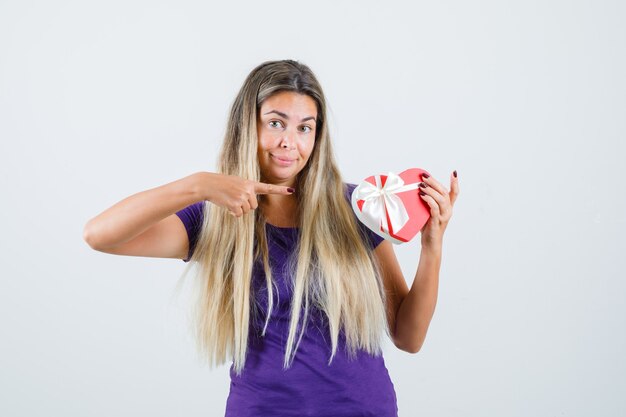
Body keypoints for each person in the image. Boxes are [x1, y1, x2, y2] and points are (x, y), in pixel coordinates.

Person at [83, 59, 460, 417]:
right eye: (276, 123)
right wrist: (197, 185)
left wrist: (433, 245)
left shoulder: (357, 207)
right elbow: (100, 235)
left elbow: (408, 338)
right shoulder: (213, 219)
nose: (289, 142)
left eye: (304, 128)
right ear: (247, 126)